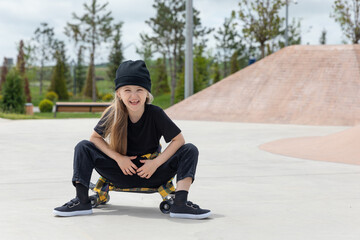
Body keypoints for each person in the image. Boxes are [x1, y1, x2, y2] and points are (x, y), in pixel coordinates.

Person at [53, 60, 211, 219]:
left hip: (152, 174)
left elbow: (179, 140)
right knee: (83, 147)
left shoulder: (155, 113)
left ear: (147, 93)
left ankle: (180, 204)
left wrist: (155, 163)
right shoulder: (114, 113)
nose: (134, 95)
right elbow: (94, 138)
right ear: (118, 93)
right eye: (127, 90)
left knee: (190, 149)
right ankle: (81, 201)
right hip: (121, 173)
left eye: (139, 90)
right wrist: (119, 158)